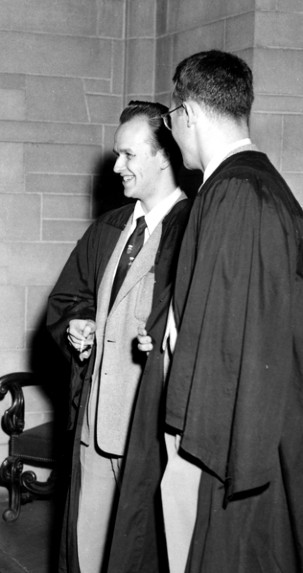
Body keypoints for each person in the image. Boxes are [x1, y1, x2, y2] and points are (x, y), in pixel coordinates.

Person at [149, 49, 303, 573]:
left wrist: (187, 441)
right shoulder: (251, 184)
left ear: (188, 114)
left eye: (170, 119)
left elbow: (235, 339)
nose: (172, 132)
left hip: (220, 441)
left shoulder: (237, 192)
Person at [46, 101, 191, 573]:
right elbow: (71, 295)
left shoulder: (192, 229)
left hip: (149, 432)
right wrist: (78, 323)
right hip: (94, 427)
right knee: (86, 555)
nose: (116, 167)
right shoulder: (108, 228)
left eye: (128, 155)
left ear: (164, 156)